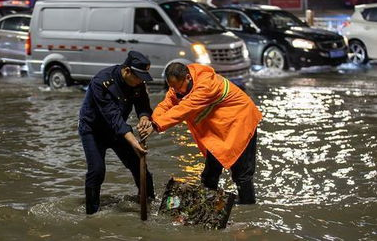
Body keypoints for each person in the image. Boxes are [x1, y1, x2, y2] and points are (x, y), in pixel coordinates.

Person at [138, 62, 262, 204]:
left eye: (178, 87)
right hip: (221, 127)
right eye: (172, 87)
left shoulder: (205, 86)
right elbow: (166, 104)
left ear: (188, 78)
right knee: (210, 171)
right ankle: (207, 203)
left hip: (241, 121)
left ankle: (247, 205)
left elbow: (182, 110)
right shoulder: (178, 87)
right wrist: (151, 121)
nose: (176, 91)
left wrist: (155, 125)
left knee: (242, 173)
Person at [78, 51, 155, 214]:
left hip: (118, 131)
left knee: (140, 166)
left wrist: (144, 117)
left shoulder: (138, 83)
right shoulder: (102, 82)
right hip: (93, 130)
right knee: (97, 170)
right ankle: (91, 212)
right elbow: (112, 116)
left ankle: (149, 204)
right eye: (139, 77)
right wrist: (134, 141)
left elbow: (143, 105)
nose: (141, 81)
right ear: (127, 71)